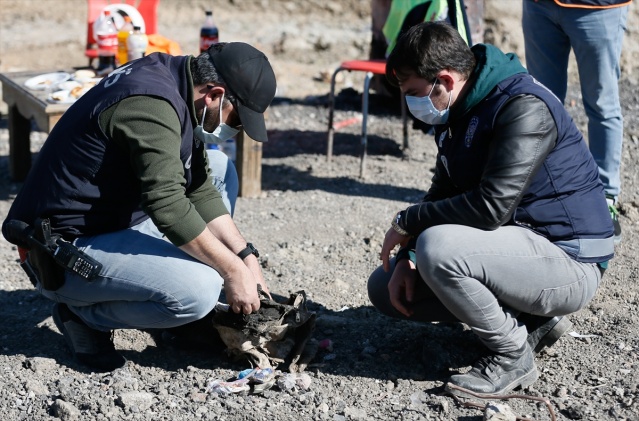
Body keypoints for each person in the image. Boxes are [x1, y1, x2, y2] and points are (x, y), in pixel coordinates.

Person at [367, 22, 614, 398]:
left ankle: (513, 355)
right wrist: (408, 254)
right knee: (386, 288)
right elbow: (444, 188)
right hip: (522, 250)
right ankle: (533, 320)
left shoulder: (522, 107)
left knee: (440, 249)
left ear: (445, 81)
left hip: (570, 260)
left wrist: (407, 221)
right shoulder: (463, 107)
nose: (411, 104)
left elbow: (490, 208)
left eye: (415, 92)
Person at [2, 42, 277, 372]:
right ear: (214, 95)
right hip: (62, 248)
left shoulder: (178, 81)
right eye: (238, 118)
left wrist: (246, 258)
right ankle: (83, 314)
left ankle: (161, 298)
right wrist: (231, 271)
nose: (237, 128)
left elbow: (199, 188)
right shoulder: (151, 105)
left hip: (112, 220)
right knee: (199, 291)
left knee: (219, 167)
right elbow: (169, 206)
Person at [522, 0, 631, 244]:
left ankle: (606, 199)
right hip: (539, 6)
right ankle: (545, 194)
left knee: (602, 104)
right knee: (541, 104)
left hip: (598, 8)